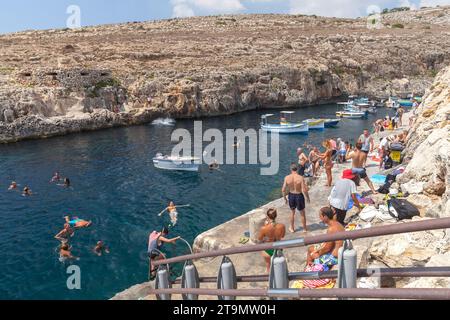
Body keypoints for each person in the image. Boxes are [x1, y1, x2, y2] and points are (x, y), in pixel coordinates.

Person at [282, 163, 311, 233]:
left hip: (291, 195)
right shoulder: (300, 178)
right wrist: (307, 197)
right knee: (302, 213)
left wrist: (285, 199)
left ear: (290, 169)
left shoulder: (287, 178)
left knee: (292, 212)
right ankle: (304, 229)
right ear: (297, 169)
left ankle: (292, 228)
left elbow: (283, 189)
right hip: (299, 195)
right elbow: (304, 190)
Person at [257, 209, 286, 273]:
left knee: (268, 266)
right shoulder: (282, 226)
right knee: (278, 265)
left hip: (267, 249)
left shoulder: (264, 228)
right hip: (278, 248)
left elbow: (260, 239)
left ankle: (270, 278)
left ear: (267, 216)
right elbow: (282, 236)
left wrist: (265, 226)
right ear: (276, 215)